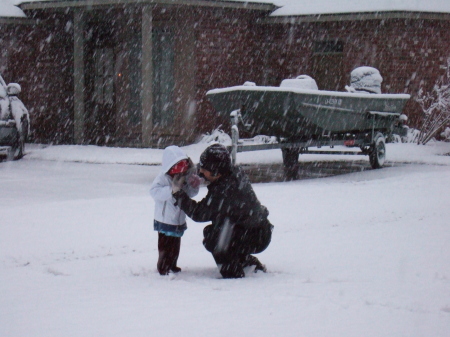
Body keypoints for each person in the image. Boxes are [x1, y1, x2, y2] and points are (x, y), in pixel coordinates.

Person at [172, 143, 273, 279]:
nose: (200, 171)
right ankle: (246, 262)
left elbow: (198, 213)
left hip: (255, 236)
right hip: (257, 229)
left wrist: (178, 194)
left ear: (216, 172)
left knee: (214, 239)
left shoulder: (225, 192)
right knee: (218, 230)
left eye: (203, 168)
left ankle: (232, 273)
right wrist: (192, 170)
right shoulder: (232, 174)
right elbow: (210, 174)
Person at [150, 145, 201, 275]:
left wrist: (193, 186)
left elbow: (189, 194)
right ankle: (163, 266)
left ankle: (172, 264)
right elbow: (154, 192)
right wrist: (171, 190)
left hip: (178, 218)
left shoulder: (184, 177)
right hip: (165, 219)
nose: (180, 172)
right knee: (165, 245)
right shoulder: (163, 178)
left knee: (175, 245)